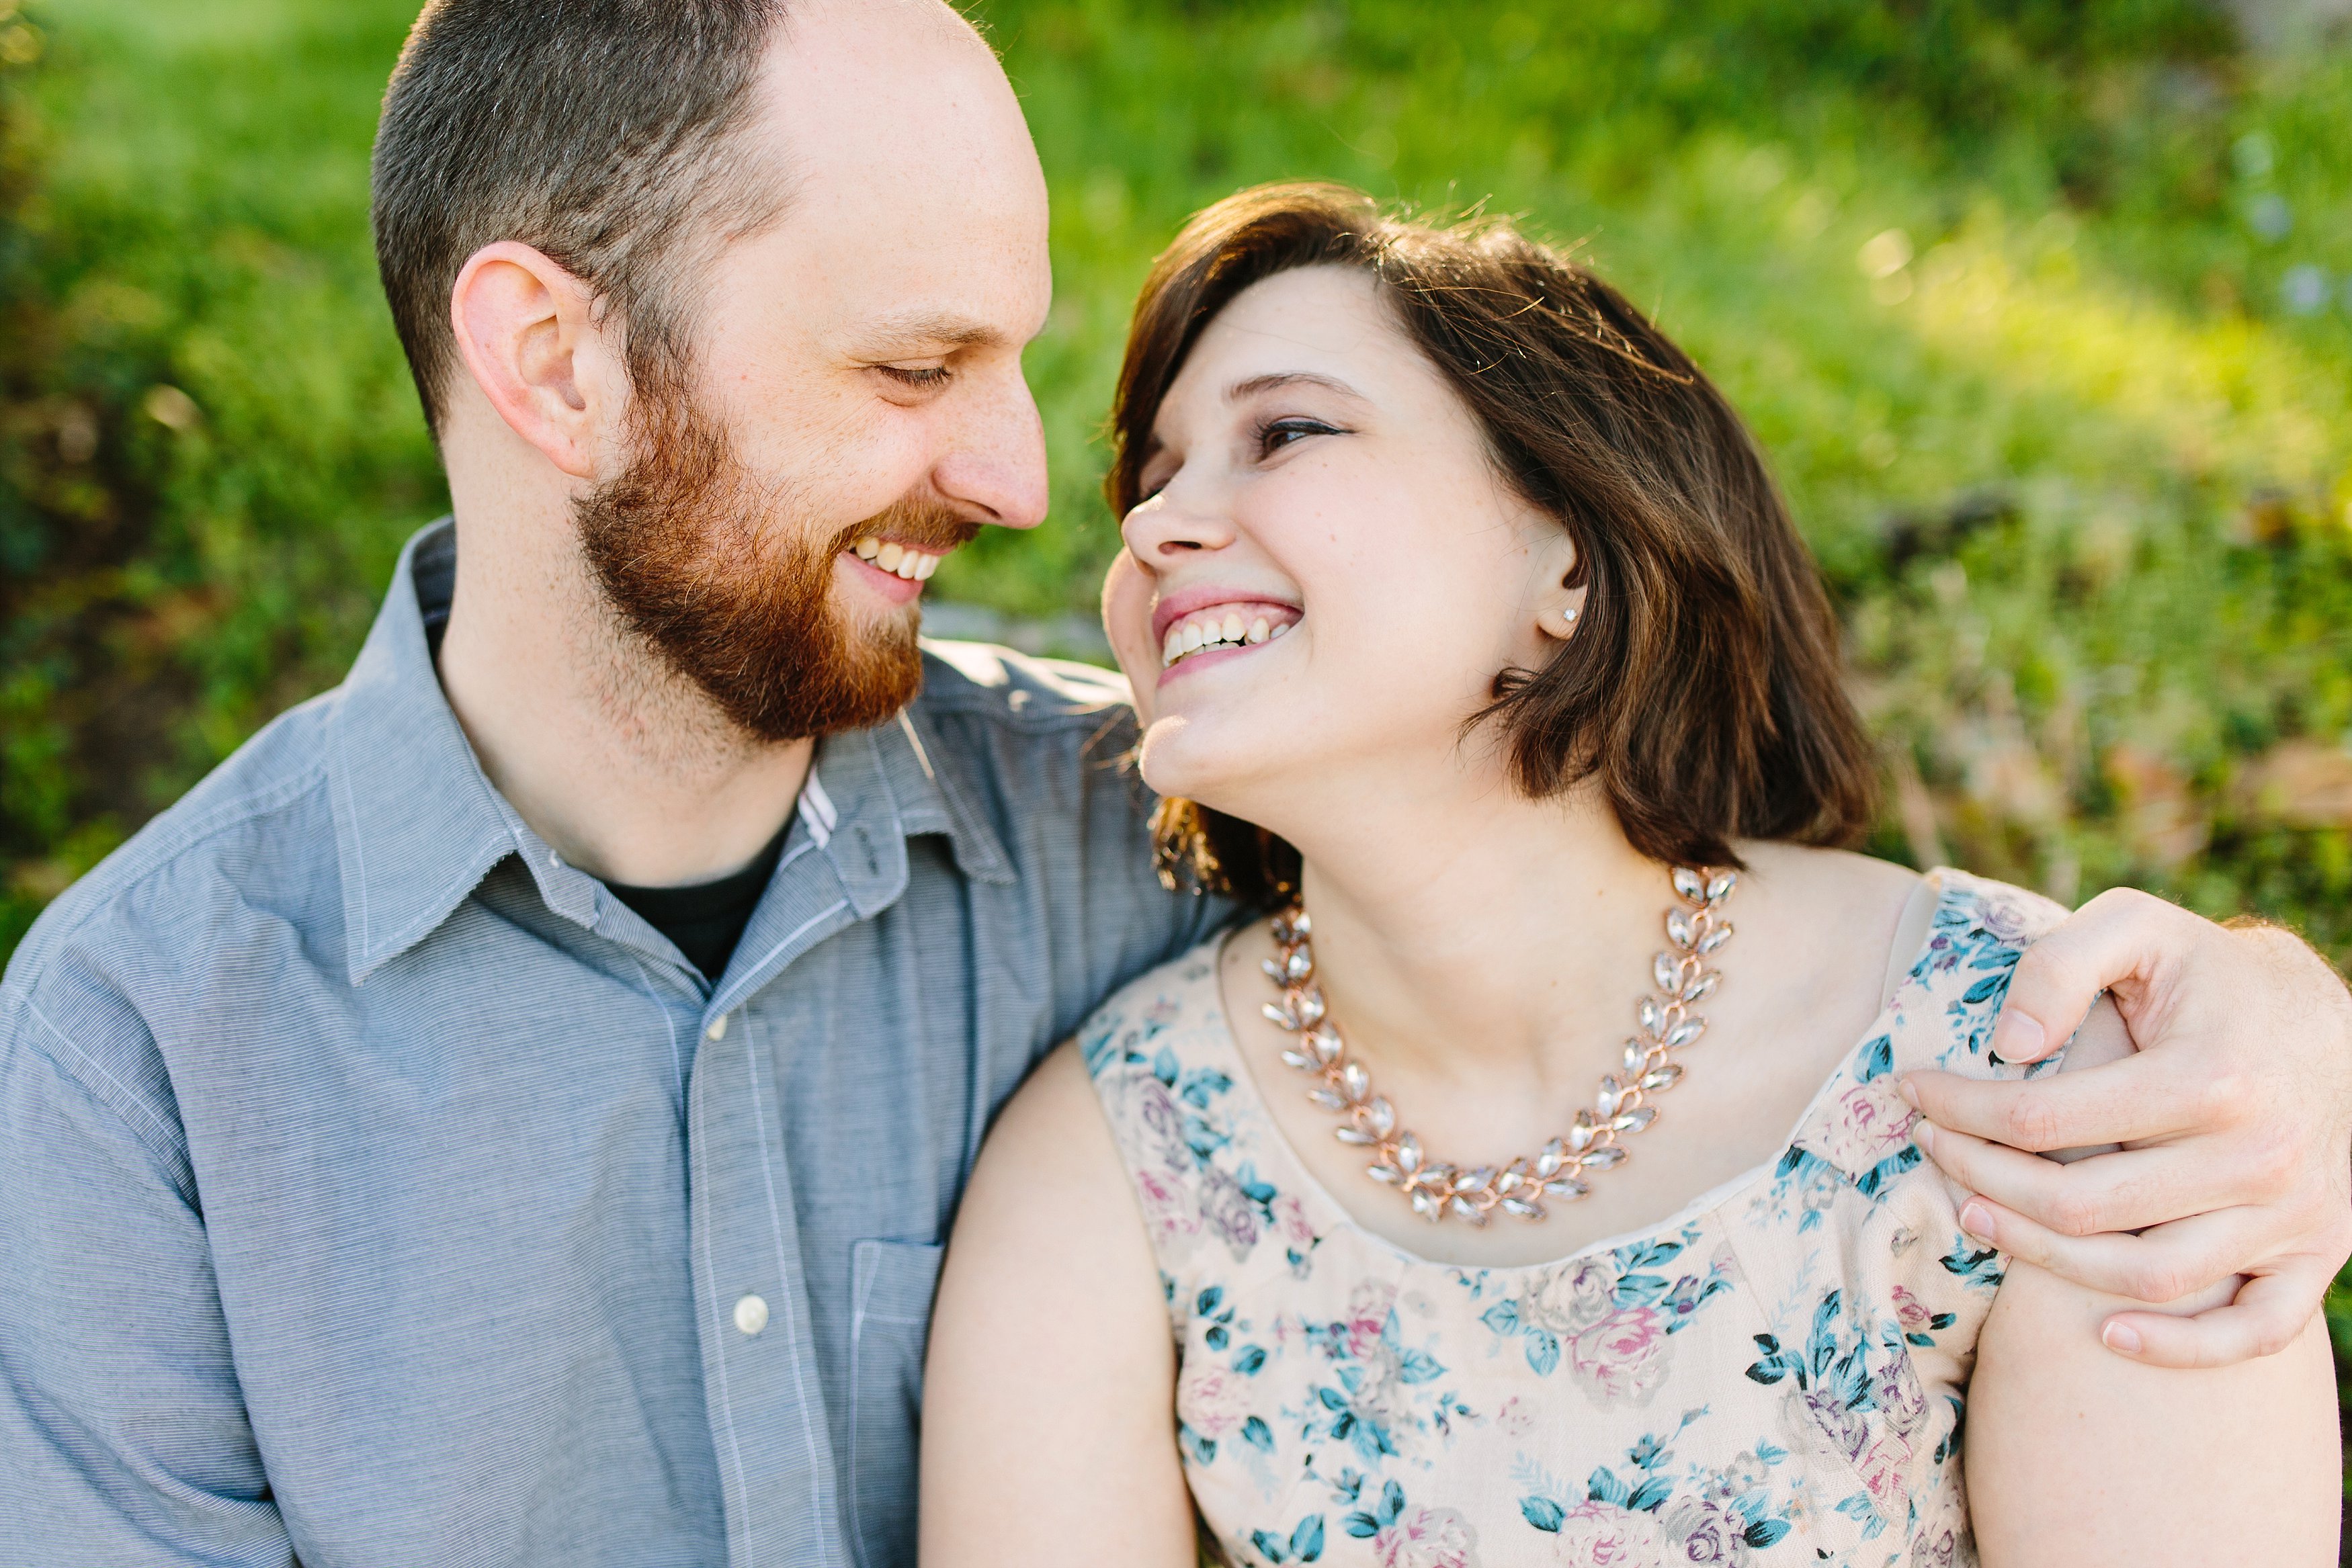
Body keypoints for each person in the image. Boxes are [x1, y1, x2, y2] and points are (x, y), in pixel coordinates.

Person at [0, 2, 2343, 1563]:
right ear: (552, 357)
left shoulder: (1135, 819)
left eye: (1026, 369)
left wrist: (2275, 1028)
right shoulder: (145, 1051)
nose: (1040, 490)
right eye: (917, 362)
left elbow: (1539, 863)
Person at [919, 184, 2341, 1566]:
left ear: (1569, 565)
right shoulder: (1125, 1150)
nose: (1153, 529)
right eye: (1153, 480)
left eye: (1283, 432)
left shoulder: (2038, 1073)